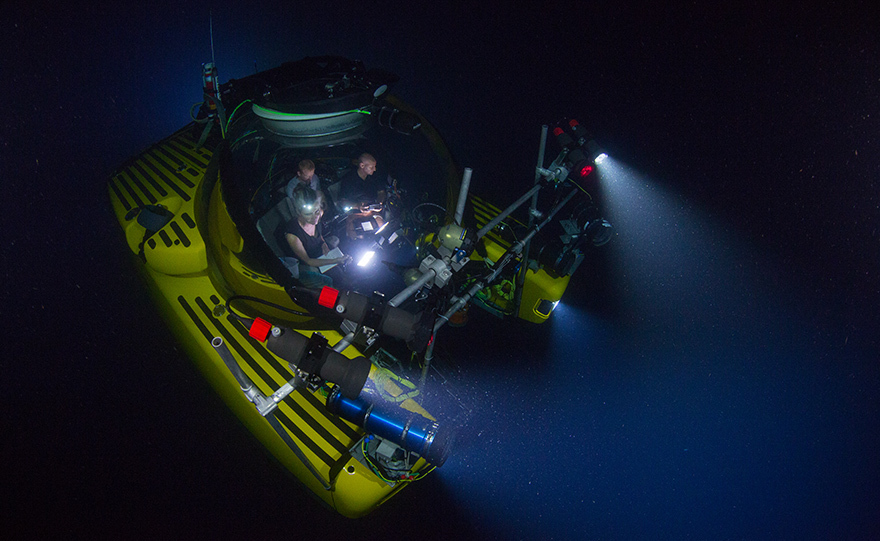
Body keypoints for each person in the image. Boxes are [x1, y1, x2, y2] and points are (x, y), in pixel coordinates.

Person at [282, 187, 351, 288]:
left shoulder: (318, 215)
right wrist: (335, 260)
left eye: (317, 212)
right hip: (309, 264)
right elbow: (308, 261)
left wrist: (323, 243)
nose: (315, 218)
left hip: (321, 253)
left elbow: (320, 235)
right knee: (337, 277)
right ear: (298, 212)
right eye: (308, 214)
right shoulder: (292, 235)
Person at [338, 153, 385, 239]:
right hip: (355, 213)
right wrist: (357, 206)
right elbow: (343, 202)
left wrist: (379, 203)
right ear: (362, 165)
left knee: (382, 232)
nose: (374, 169)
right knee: (357, 236)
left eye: (374, 166)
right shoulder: (348, 180)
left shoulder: (375, 177)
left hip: (373, 212)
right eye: (371, 167)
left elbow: (381, 192)